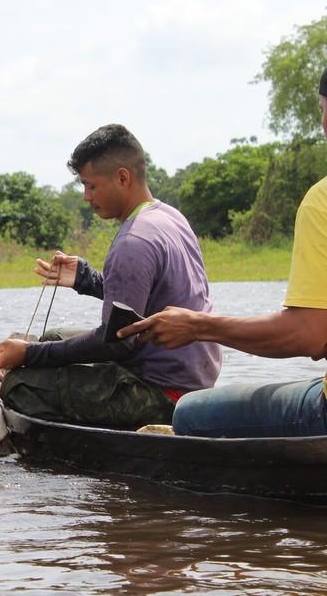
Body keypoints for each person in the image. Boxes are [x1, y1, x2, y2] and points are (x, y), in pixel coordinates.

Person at [118, 68, 327, 437]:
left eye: (322, 110)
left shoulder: (321, 201)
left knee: (190, 412)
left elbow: (310, 334)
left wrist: (200, 327)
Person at [0, 124, 221, 429]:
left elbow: (117, 344)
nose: (86, 197)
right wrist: (85, 279)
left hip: (164, 394)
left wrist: (29, 354)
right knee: (52, 337)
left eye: (91, 186)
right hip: (194, 376)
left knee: (19, 384)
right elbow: (145, 303)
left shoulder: (133, 242)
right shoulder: (169, 216)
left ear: (123, 178)